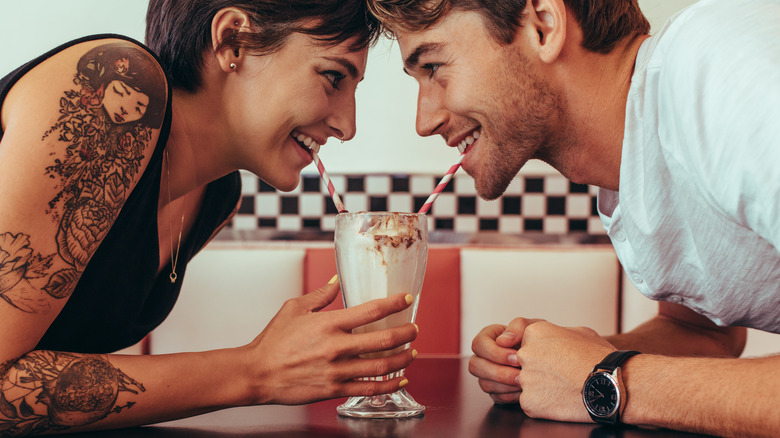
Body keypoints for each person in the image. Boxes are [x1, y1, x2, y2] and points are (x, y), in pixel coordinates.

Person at [0, 0, 419, 435]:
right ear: (233, 39)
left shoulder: (217, 197)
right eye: (333, 77)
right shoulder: (119, 86)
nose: (347, 126)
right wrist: (256, 371)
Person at [366, 0, 780, 436]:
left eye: (433, 66)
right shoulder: (631, 157)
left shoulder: (723, 71)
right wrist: (552, 365)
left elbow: (621, 379)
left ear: (543, 26)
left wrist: (602, 381)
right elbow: (706, 336)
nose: (424, 120)